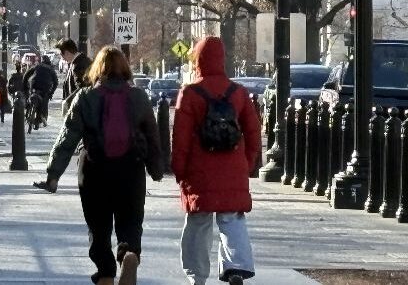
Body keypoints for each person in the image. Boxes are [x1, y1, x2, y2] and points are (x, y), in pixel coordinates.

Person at [34, 46, 163, 285]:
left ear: (98, 68)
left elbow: (67, 138)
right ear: (124, 68)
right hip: (130, 168)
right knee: (131, 220)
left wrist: (53, 174)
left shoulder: (85, 97)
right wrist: (156, 168)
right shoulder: (138, 97)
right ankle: (129, 253)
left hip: (94, 169)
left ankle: (105, 272)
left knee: (98, 226)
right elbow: (153, 137)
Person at [171, 36, 261, 285]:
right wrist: (248, 161)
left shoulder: (190, 93)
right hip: (233, 167)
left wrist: (179, 169)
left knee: (198, 223)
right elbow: (253, 131)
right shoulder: (238, 92)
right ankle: (236, 267)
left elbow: (180, 137)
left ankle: (197, 276)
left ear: (198, 60)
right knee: (232, 219)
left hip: (199, 169)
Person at [56, 38, 92, 116]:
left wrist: (67, 101)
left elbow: (82, 88)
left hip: (80, 112)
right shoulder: (79, 62)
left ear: (67, 53)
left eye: (61, 55)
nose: (62, 58)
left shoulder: (78, 65)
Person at [22, 55, 58, 127]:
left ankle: (27, 110)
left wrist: (24, 85)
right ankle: (42, 118)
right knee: (44, 103)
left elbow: (26, 74)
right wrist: (51, 93)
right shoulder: (51, 69)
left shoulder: (37, 66)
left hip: (35, 84)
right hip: (45, 88)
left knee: (30, 96)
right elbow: (56, 83)